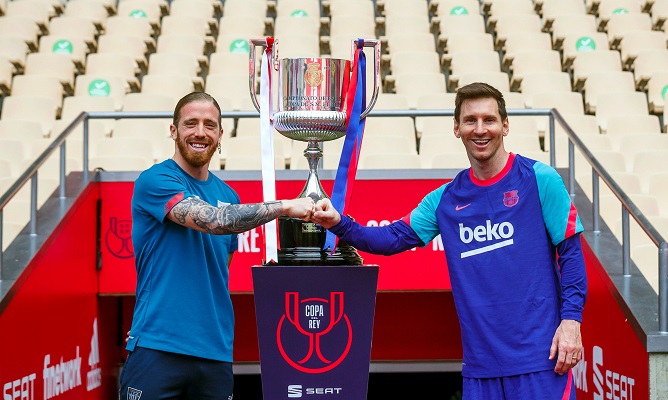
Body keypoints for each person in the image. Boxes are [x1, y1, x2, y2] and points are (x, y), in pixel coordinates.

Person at [312, 82, 587, 399]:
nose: (480, 129)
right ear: (457, 128)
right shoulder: (445, 200)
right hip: (481, 370)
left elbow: (571, 258)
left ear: (505, 125)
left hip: (542, 362)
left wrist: (571, 323)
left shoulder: (541, 179)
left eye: (489, 119)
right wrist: (339, 223)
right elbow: (392, 238)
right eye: (470, 120)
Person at [119, 92, 316, 400]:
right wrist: (285, 207)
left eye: (210, 125)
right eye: (191, 123)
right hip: (158, 345)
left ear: (221, 135)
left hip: (215, 351)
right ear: (174, 131)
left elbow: (219, 269)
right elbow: (215, 220)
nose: (200, 132)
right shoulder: (155, 180)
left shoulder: (229, 194)